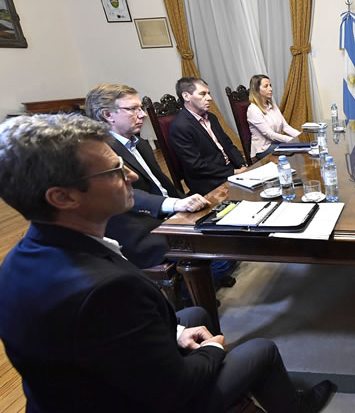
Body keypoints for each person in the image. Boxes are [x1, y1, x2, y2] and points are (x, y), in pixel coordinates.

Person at [0, 114, 335, 412]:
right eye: (115, 170)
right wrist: (212, 351)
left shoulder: (20, 258)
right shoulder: (107, 289)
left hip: (78, 388)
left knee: (194, 315)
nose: (131, 175)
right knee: (260, 350)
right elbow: (173, 391)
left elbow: (105, 341)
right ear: (63, 197)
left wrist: (175, 335)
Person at [86, 83, 236, 284]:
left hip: (168, 215)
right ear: (107, 115)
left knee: (229, 234)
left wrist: (187, 202)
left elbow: (163, 186)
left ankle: (204, 280)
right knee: (221, 258)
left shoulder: (140, 143)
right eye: (133, 109)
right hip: (138, 230)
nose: (142, 115)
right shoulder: (100, 151)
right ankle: (190, 293)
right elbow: (123, 192)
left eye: (141, 108)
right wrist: (175, 204)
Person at [169, 77, 248, 195]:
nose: (209, 98)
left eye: (209, 93)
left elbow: (228, 144)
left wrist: (242, 165)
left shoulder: (211, 117)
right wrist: (233, 172)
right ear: (186, 96)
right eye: (203, 94)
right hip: (209, 180)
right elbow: (196, 165)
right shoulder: (179, 126)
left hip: (230, 170)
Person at [247, 74, 300, 160]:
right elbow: (270, 134)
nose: (270, 89)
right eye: (266, 86)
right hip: (263, 149)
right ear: (256, 90)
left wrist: (299, 136)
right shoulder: (253, 110)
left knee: (299, 149)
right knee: (295, 151)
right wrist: (291, 140)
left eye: (270, 85)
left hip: (276, 143)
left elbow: (285, 126)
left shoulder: (272, 105)